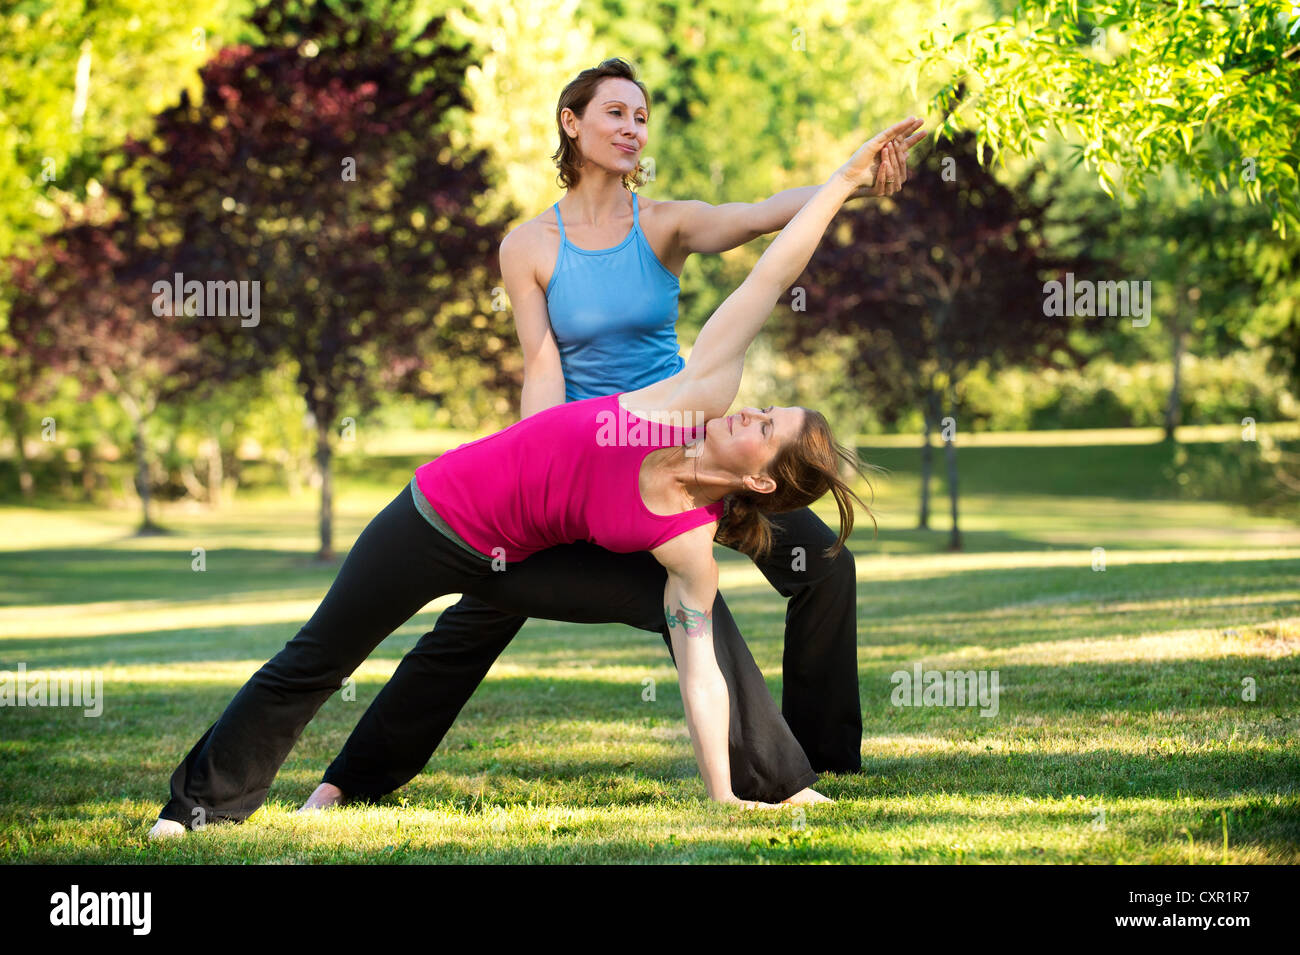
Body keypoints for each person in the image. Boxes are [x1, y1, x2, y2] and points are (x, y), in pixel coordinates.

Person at [147, 117, 916, 837]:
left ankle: (777, 775)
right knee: (320, 654)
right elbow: (772, 273)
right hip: (435, 517)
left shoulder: (687, 547)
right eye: (766, 407)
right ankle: (199, 803)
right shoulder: (690, 397)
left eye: (766, 427)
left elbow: (699, 673)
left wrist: (719, 796)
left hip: (518, 561)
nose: (752, 412)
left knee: (698, 627)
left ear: (760, 483)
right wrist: (844, 181)